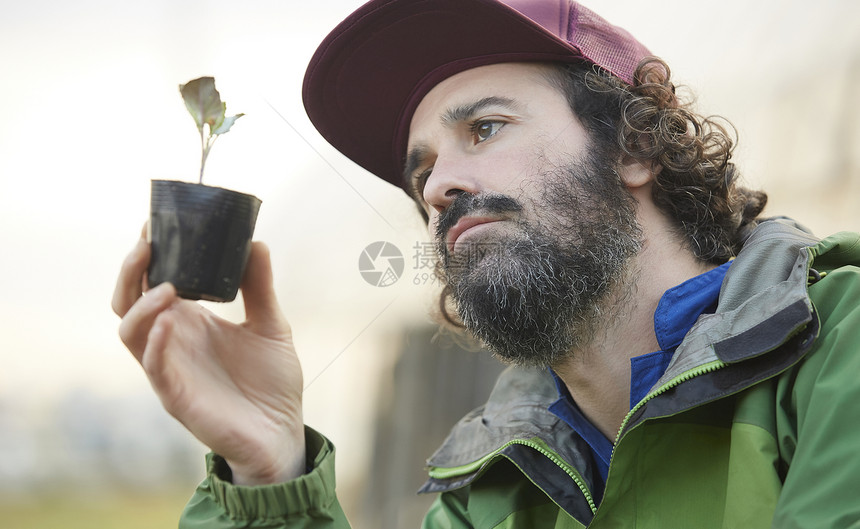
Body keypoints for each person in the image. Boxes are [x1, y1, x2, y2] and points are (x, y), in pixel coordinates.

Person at [112, 0, 860, 527]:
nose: (437, 187)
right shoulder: (488, 489)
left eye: (486, 127)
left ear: (635, 145)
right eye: (421, 173)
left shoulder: (836, 351)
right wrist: (268, 468)